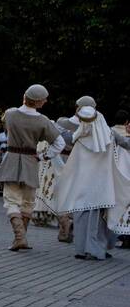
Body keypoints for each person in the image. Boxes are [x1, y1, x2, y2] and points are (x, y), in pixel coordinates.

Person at [0, 84, 64, 251]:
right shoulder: (43, 121)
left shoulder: (10, 114)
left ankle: (19, 238)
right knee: (28, 202)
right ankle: (21, 238)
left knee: (11, 200)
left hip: (11, 159)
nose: (46, 102)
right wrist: (44, 155)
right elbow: (59, 143)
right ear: (39, 102)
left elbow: (6, 122)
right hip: (31, 161)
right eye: (44, 100)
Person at [54, 105, 130, 260]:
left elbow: (60, 132)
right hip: (103, 185)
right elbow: (126, 144)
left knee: (81, 215)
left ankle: (81, 250)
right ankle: (96, 249)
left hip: (82, 184)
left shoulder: (80, 136)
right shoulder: (110, 134)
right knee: (100, 218)